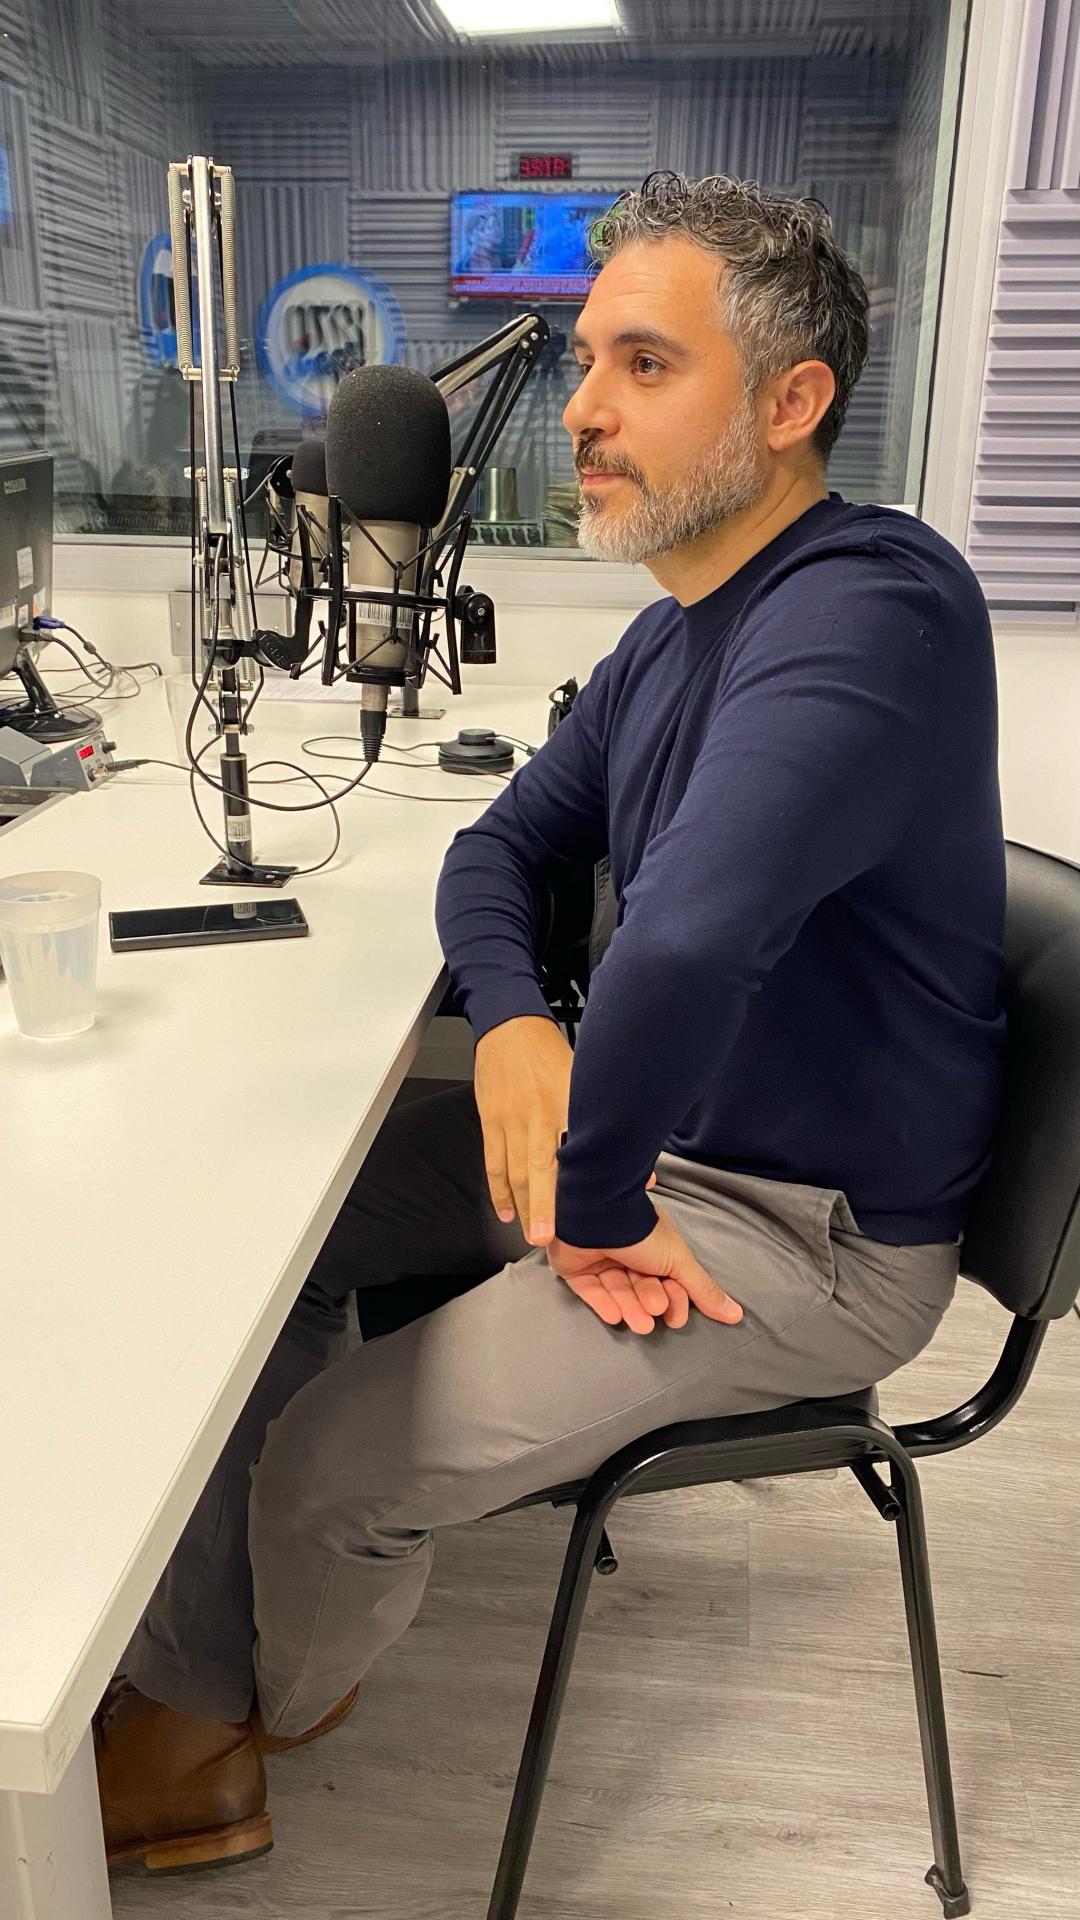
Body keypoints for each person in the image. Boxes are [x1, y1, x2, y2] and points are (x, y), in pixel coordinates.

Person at [95, 170, 1006, 1875]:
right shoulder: (675, 637)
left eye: (644, 365)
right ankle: (221, 1671)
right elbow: (497, 853)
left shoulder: (873, 606)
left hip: (801, 1232)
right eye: (586, 361)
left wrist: (590, 1198)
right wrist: (517, 1025)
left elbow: (689, 941)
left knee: (325, 1462)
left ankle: (234, 1723)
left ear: (791, 403)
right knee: (266, 1236)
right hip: (652, 1140)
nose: (582, 407)